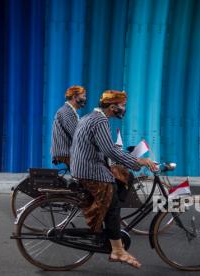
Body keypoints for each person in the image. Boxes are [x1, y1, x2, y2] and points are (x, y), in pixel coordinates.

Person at [70, 90, 157, 269]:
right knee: (113, 204)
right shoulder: (100, 120)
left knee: (125, 176)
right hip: (90, 170)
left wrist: (124, 159)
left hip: (84, 165)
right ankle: (117, 250)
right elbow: (109, 151)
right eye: (122, 106)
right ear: (112, 107)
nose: (124, 109)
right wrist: (137, 160)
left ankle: (111, 224)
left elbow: (104, 148)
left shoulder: (90, 117)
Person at [50, 85, 87, 168]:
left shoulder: (69, 111)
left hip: (68, 150)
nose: (85, 99)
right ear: (75, 97)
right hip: (66, 151)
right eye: (83, 96)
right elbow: (77, 134)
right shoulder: (66, 112)